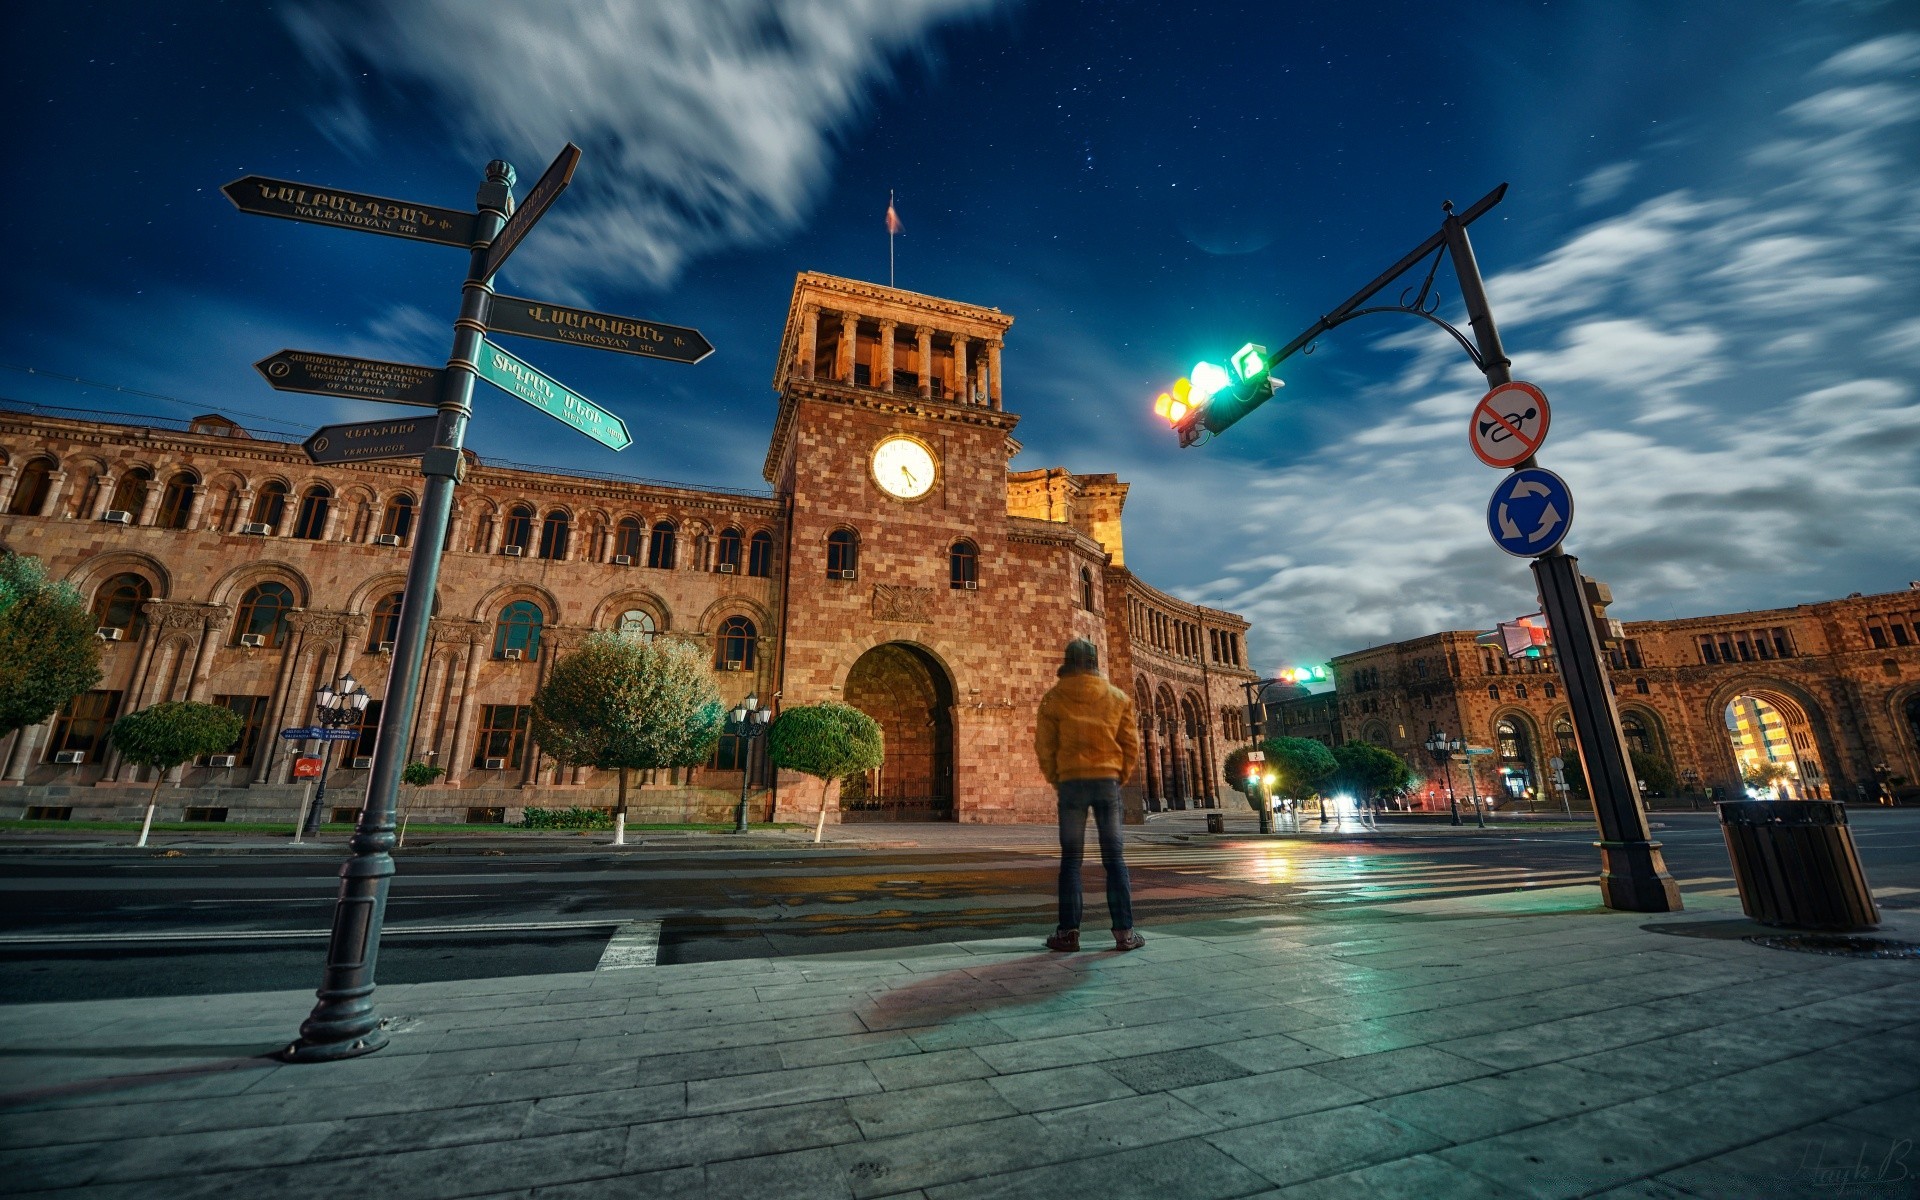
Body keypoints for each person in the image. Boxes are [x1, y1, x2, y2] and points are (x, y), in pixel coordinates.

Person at [1033, 639, 1143, 952]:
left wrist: (1057, 777)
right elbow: (1130, 745)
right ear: (1095, 664)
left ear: (1069, 664)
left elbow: (1045, 745)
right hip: (1106, 782)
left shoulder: (1054, 698)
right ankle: (1124, 934)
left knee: (1070, 861)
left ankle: (1068, 934)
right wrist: (1118, 776)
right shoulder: (1116, 697)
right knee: (1114, 859)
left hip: (1071, 784)